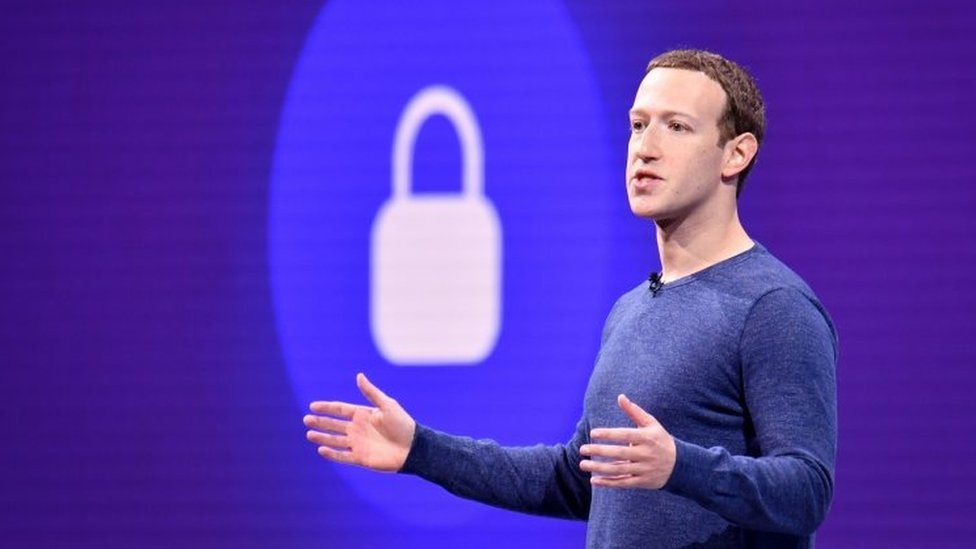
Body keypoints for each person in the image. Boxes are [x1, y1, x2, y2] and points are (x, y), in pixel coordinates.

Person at [303, 49, 837, 548]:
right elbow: (575, 480)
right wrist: (421, 449)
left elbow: (807, 490)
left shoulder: (773, 306)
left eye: (676, 127)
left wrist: (681, 465)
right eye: (638, 125)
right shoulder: (631, 309)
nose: (645, 147)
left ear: (736, 154)